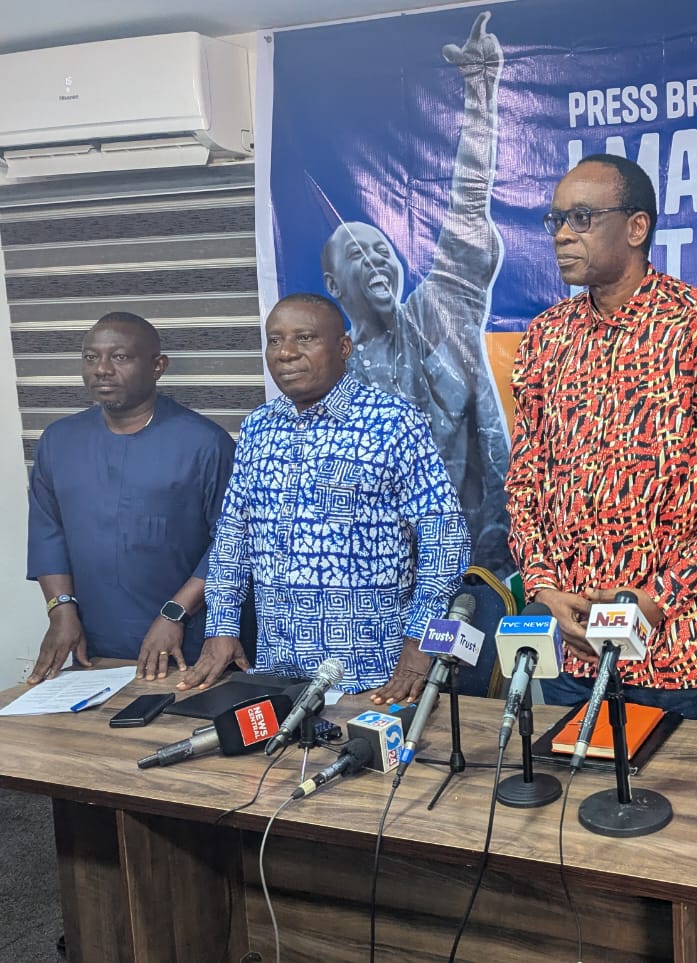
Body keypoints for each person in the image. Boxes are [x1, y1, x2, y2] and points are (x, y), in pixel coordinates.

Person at [506, 154, 697, 721]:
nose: (561, 235)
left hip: (674, 653)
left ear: (636, 227)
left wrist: (658, 598)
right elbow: (526, 482)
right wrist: (545, 590)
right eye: (555, 220)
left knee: (671, 807)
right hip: (573, 653)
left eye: (580, 217)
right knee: (568, 800)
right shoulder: (544, 338)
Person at [179, 293, 470, 702]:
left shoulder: (391, 422)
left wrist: (420, 642)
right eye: (275, 340)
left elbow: (445, 538)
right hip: (277, 672)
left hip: (374, 677)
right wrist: (222, 625)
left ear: (343, 348)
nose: (286, 353)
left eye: (305, 338)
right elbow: (233, 536)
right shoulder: (258, 427)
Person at [321, 11, 511, 578]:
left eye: (384, 251)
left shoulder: (437, 313)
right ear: (333, 286)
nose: (377, 259)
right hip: (379, 581)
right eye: (359, 254)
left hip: (480, 565)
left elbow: (468, 206)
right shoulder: (329, 383)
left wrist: (480, 95)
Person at [26, 312, 235, 683]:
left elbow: (232, 543)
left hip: (185, 646)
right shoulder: (58, 441)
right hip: (93, 646)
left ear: (158, 366)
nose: (102, 369)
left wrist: (175, 613)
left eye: (120, 357)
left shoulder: (205, 443)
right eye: (91, 358)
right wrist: (60, 611)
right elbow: (48, 533)